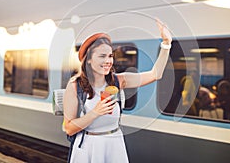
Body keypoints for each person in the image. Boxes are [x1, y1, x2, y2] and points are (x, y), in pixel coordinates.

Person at [63, 20, 172, 163]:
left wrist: (166, 44)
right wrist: (95, 112)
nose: (108, 61)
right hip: (89, 148)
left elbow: (155, 74)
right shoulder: (75, 86)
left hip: (114, 144)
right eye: (102, 56)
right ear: (88, 60)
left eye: (110, 56)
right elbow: (69, 128)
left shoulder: (118, 81)